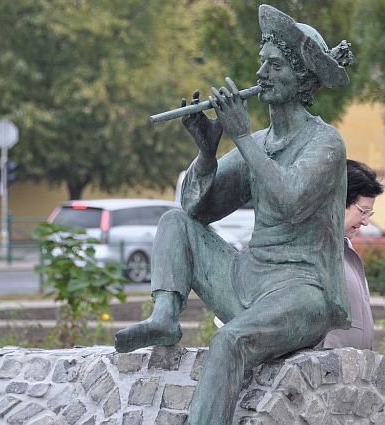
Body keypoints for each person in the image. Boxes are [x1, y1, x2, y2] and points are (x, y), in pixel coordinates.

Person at [114, 5, 353, 425]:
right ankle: (165, 316)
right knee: (175, 222)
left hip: (303, 290)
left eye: (275, 65)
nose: (261, 74)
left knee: (229, 341)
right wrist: (206, 155)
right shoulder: (259, 142)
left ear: (302, 80)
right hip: (249, 279)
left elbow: (290, 201)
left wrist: (241, 136)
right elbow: (197, 210)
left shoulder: (325, 143)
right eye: (262, 63)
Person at [317, 159, 384, 350]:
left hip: (352, 366)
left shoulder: (345, 248)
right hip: (326, 366)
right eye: (363, 211)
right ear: (339, 201)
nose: (365, 222)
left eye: (369, 214)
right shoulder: (315, 250)